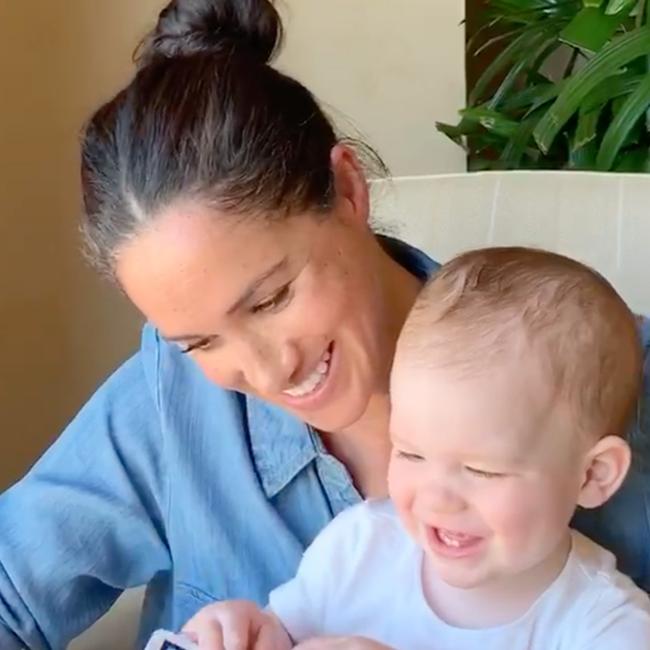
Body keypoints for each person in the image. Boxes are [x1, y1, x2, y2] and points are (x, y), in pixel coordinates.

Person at [0, 0, 648, 647]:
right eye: (199, 340)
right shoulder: (173, 396)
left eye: (271, 298)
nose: (265, 370)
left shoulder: (610, 383)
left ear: (346, 189)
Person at [182, 248, 650, 650]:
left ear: (593, 475)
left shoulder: (605, 628)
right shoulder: (359, 547)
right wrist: (244, 631)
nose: (436, 498)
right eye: (410, 453)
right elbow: (279, 632)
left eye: (481, 470)